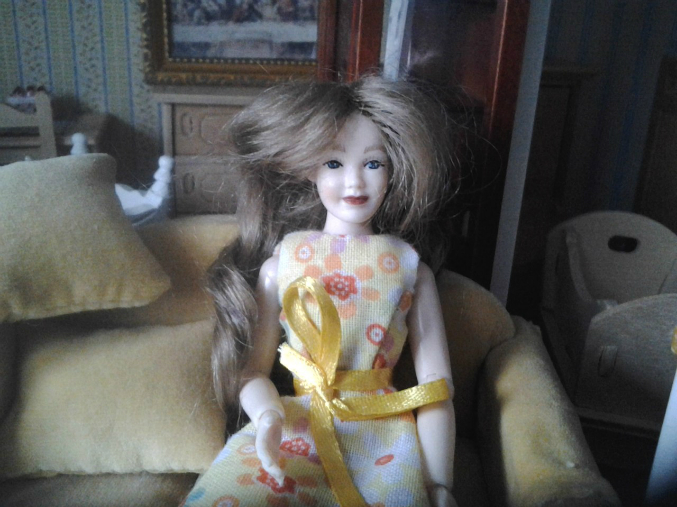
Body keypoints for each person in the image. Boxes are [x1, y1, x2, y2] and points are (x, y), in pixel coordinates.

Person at [184, 76, 459, 507]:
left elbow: (436, 387)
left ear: (393, 170)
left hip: (381, 434)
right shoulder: (282, 265)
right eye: (334, 163)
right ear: (308, 168)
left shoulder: (410, 269)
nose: (354, 182)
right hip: (298, 423)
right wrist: (268, 416)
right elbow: (253, 372)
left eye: (373, 163)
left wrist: (439, 484)